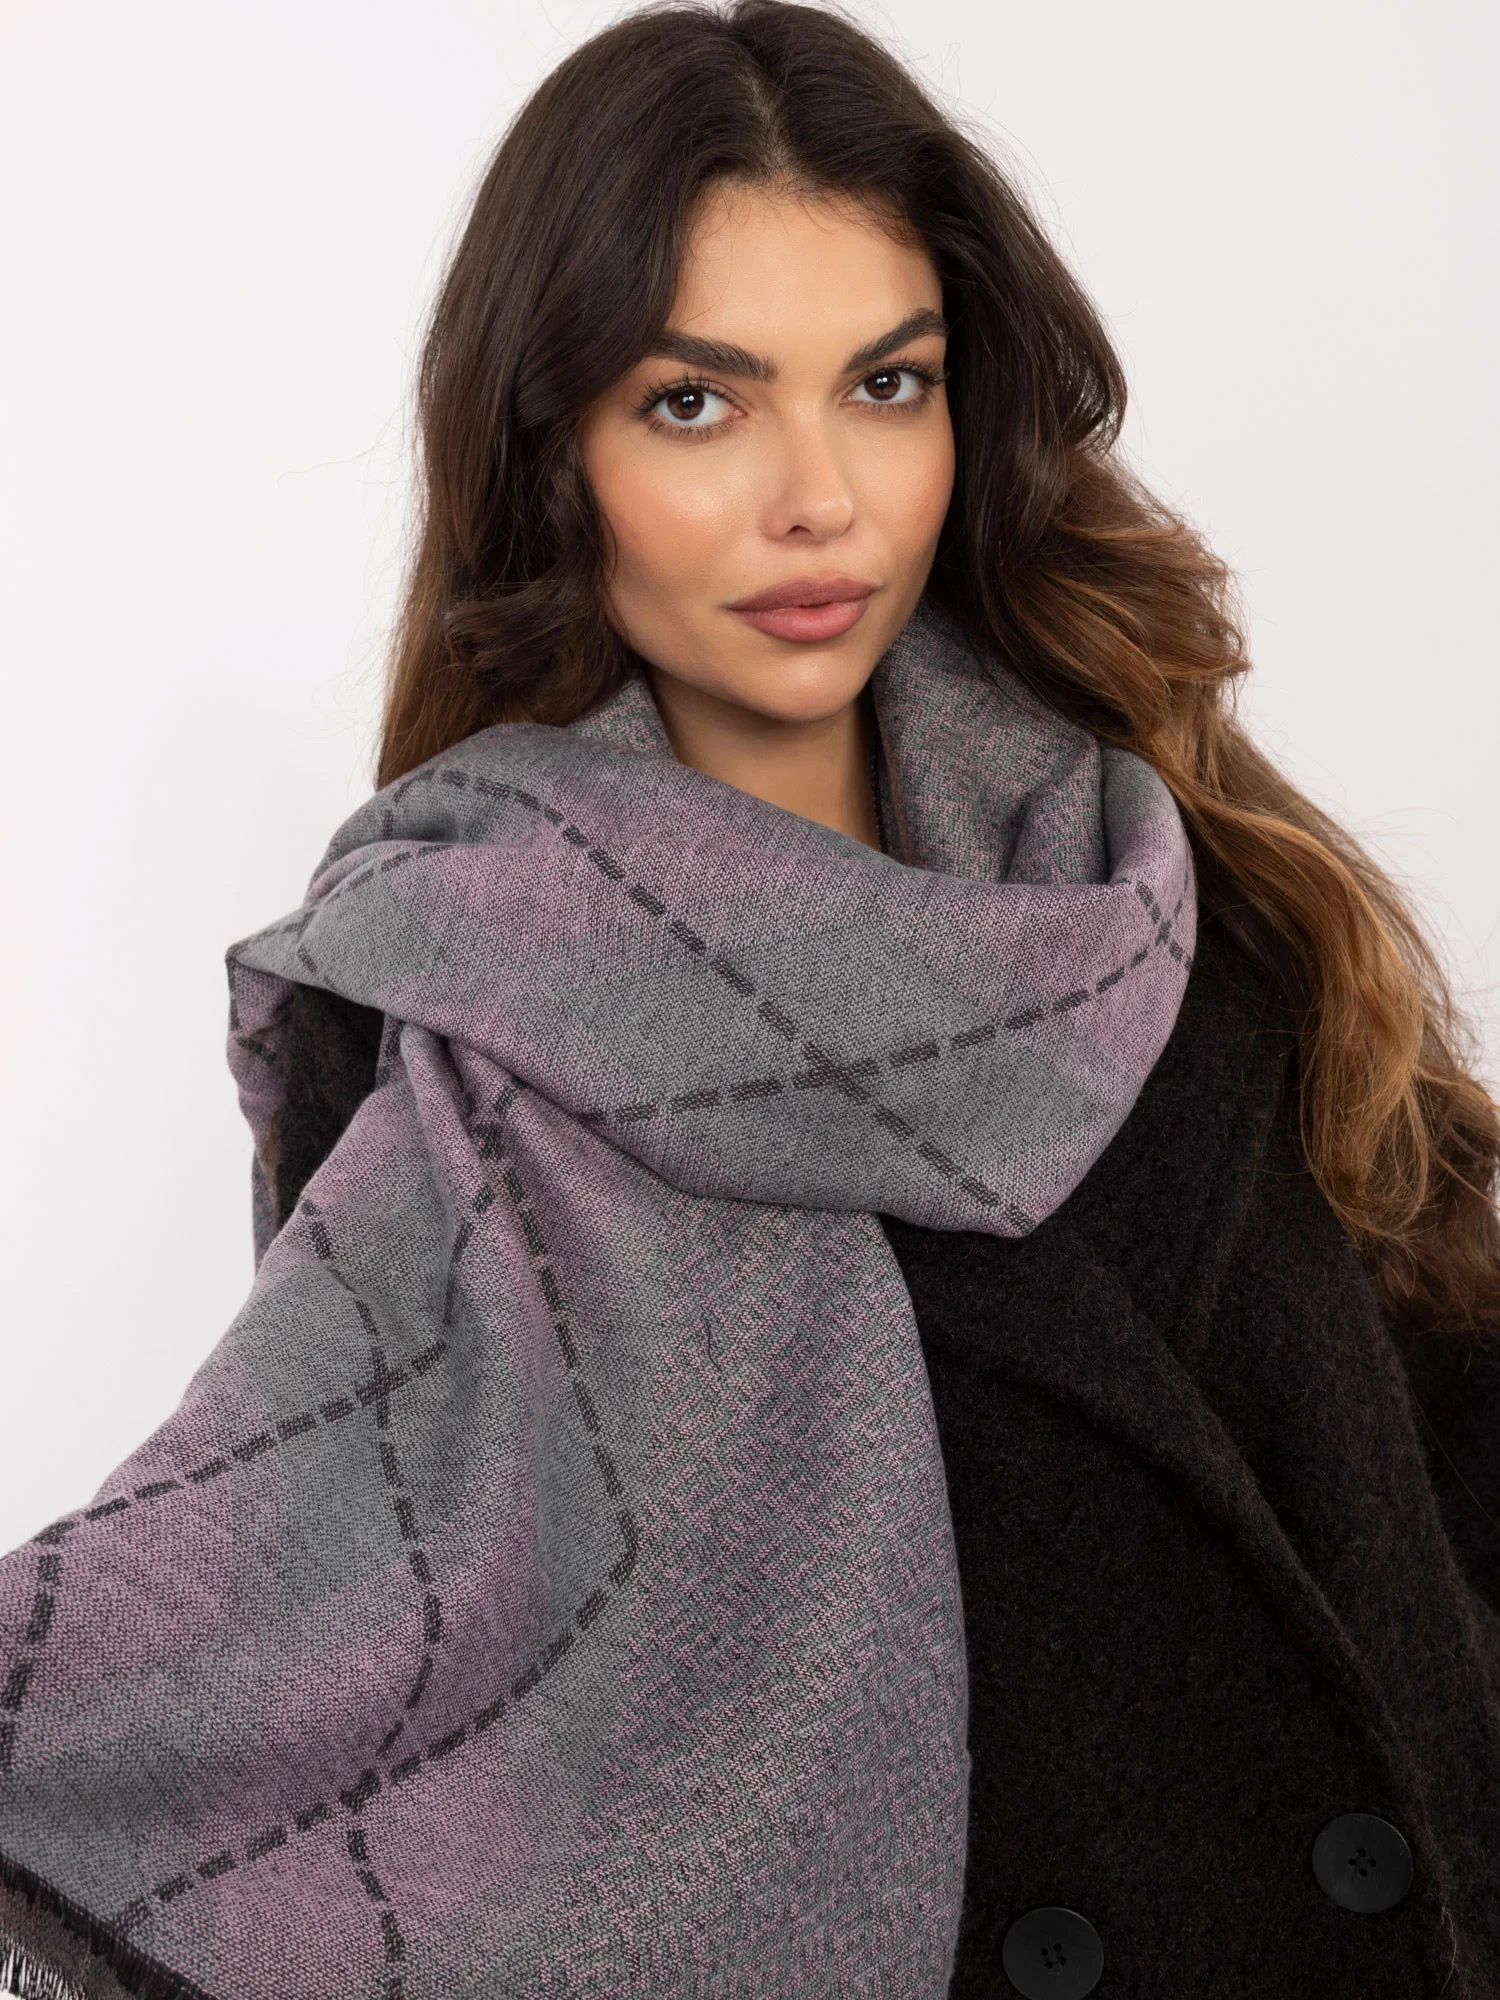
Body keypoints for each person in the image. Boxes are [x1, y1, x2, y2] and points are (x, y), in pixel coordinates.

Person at [2, 3, 1497, 1995]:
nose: (821, 497)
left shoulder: (1171, 862)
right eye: (697, 403)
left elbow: (1446, 1390)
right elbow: (362, 1682)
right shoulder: (446, 1012)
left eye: (887, 384)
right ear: (553, 452)